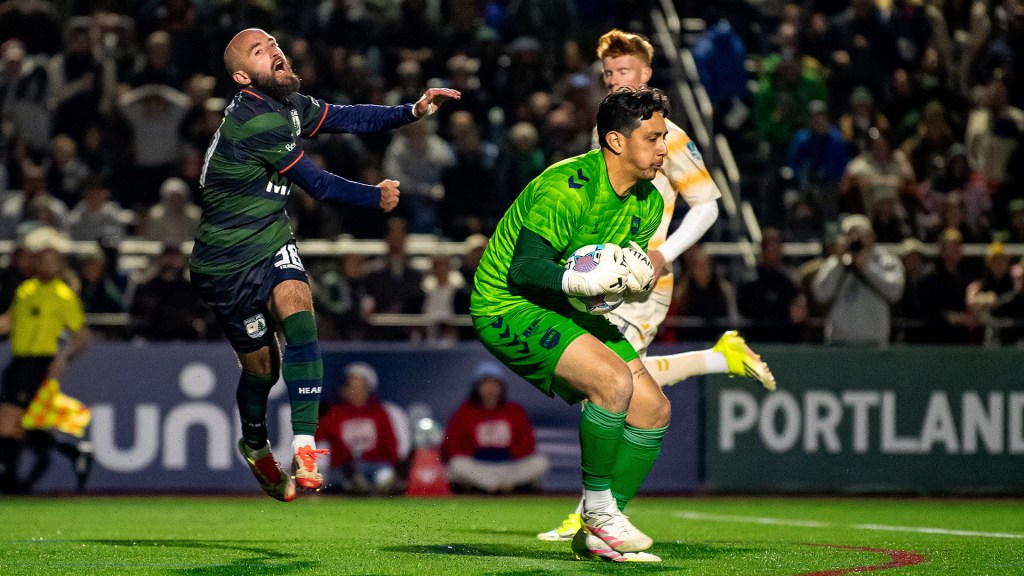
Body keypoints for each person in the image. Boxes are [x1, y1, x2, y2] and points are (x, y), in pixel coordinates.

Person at [188, 28, 458, 502]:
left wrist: (411, 111)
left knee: (298, 305)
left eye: (272, 43)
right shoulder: (255, 120)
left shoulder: (287, 104)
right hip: (225, 264)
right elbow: (318, 184)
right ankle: (254, 445)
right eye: (259, 50)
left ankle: (305, 446)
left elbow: (347, 116)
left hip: (269, 240)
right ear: (240, 76)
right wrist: (373, 196)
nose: (274, 50)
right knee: (261, 372)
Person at [537, 29, 776, 546]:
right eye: (608, 75)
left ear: (646, 75)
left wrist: (664, 253)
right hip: (606, 278)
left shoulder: (668, 136)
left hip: (643, 281)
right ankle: (719, 358)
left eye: (624, 72)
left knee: (614, 385)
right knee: (618, 384)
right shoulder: (609, 132)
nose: (615, 81)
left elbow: (708, 204)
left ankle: (595, 514)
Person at [472, 85, 675, 563]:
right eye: (652, 138)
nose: (664, 148)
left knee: (652, 410)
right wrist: (585, 283)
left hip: (563, 302)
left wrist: (631, 284)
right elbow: (524, 269)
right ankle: (599, 513)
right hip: (506, 303)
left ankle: (599, 534)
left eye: (664, 136)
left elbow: (597, 282)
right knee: (612, 381)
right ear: (616, 141)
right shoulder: (569, 186)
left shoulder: (647, 202)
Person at [0, 228, 90, 494]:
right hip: (18, 361)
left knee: (7, 421)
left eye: (53, 260)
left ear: (60, 264)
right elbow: (10, 321)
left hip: (38, 362)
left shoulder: (63, 295)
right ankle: (72, 451)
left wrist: (63, 359)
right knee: (17, 425)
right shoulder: (27, 289)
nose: (46, 264)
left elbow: (81, 335)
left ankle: (9, 482)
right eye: (43, 259)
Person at [441, 361, 548, 494]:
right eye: (486, 383)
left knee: (540, 463)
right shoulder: (464, 413)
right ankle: (494, 485)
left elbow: (528, 444)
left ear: (501, 387)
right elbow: (452, 447)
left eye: (495, 383)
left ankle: (501, 485)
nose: (490, 388)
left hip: (509, 466)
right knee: (456, 466)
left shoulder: (514, 411)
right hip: (478, 467)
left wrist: (512, 454)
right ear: (477, 387)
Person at [812, 214, 906, 345]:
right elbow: (821, 295)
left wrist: (867, 268)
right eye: (850, 234)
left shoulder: (886, 261)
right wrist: (839, 263)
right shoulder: (835, 263)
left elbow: (895, 292)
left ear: (872, 235)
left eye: (860, 233)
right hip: (839, 342)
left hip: (874, 341)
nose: (855, 238)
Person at [315, 363, 400, 495]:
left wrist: (394, 466)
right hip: (345, 468)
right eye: (352, 387)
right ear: (344, 389)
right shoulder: (335, 413)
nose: (356, 392)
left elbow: (390, 444)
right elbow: (314, 437)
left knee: (384, 476)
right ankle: (357, 485)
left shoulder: (379, 412)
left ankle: (373, 487)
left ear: (369, 390)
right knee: (342, 478)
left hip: (375, 466)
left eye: (361, 388)